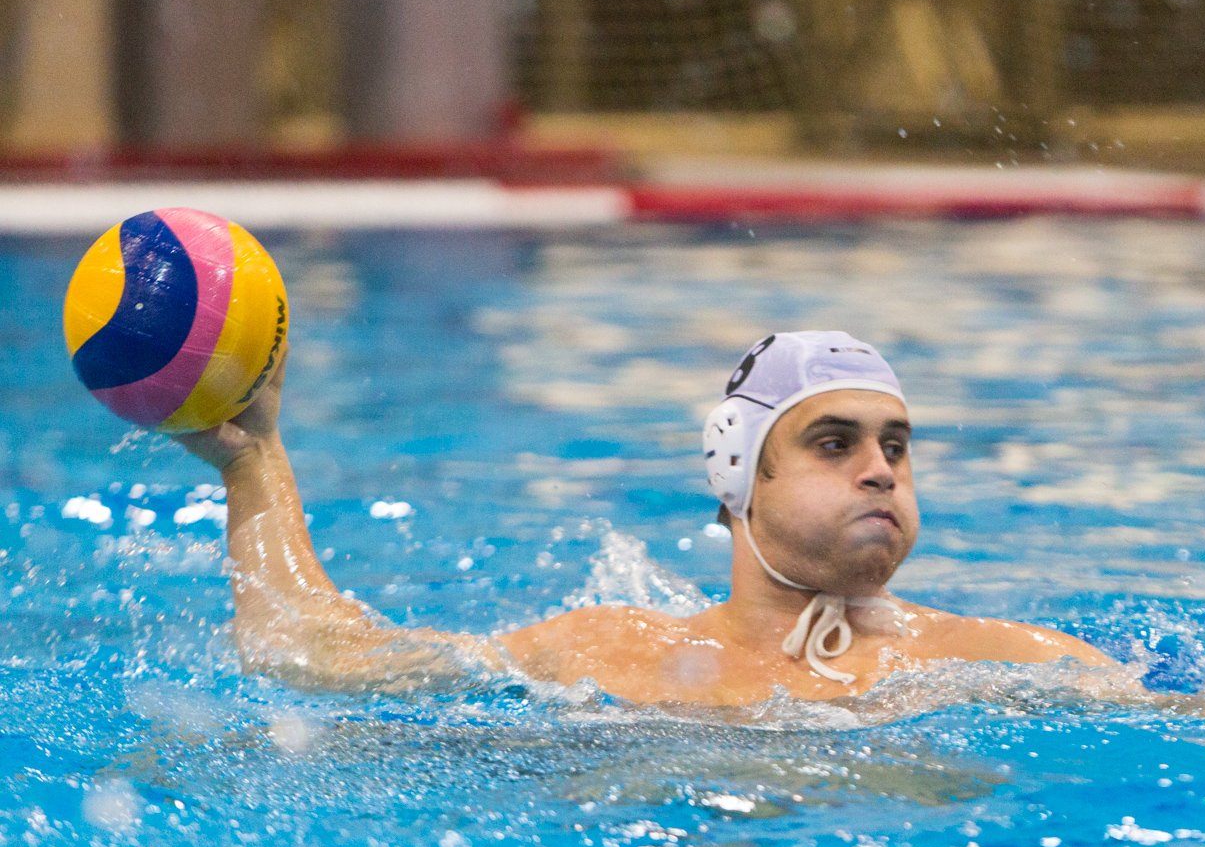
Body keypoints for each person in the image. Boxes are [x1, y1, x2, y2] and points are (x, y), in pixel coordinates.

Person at [177, 330, 1128, 704]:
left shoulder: (997, 660)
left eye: (897, 445)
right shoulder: (605, 650)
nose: (881, 470)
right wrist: (254, 460)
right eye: (834, 443)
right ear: (737, 480)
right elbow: (310, 656)